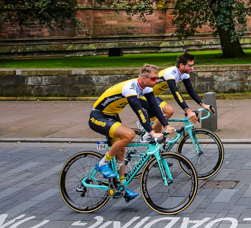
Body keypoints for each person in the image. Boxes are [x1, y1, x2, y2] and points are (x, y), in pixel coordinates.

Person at [88, 64, 174, 201]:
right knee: (129, 135)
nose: (156, 81)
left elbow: (156, 108)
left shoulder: (145, 87)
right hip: (98, 116)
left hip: (111, 115)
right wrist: (151, 132)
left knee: (121, 150)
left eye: (157, 78)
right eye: (153, 79)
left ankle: (121, 186)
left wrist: (166, 125)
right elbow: (139, 112)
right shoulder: (130, 88)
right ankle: (102, 164)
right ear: (144, 78)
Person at [139, 52, 213, 136]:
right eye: (190, 65)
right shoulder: (171, 73)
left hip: (152, 96)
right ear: (181, 65)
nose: (192, 68)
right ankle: (147, 135)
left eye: (193, 65)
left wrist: (203, 105)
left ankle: (149, 133)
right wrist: (188, 111)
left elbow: (191, 91)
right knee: (169, 110)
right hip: (143, 95)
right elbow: (175, 92)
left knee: (157, 133)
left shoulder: (184, 74)